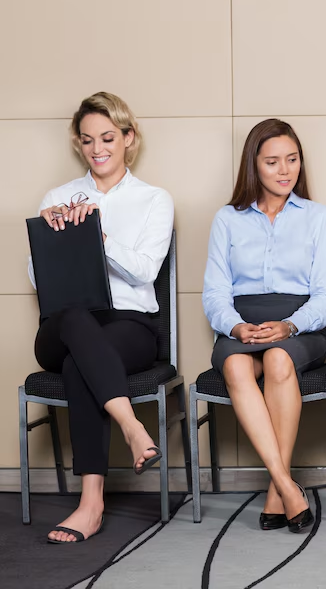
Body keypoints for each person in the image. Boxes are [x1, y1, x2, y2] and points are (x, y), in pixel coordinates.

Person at [28, 92, 175, 543]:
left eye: (109, 138)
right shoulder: (56, 198)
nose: (98, 149)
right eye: (88, 140)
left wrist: (97, 235)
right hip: (63, 324)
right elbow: (40, 279)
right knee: (74, 319)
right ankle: (132, 427)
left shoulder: (154, 200)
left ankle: (90, 504)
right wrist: (59, 239)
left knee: (81, 364)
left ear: (128, 138)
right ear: (79, 143)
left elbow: (148, 270)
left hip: (129, 325)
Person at [202, 119, 326, 533]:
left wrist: (291, 325)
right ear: (253, 167)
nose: (285, 170)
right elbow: (214, 294)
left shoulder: (317, 217)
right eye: (273, 162)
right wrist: (235, 327)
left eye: (292, 160)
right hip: (241, 324)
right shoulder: (227, 219)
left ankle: (276, 492)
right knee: (237, 366)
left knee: (279, 360)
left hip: (300, 326)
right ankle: (284, 484)